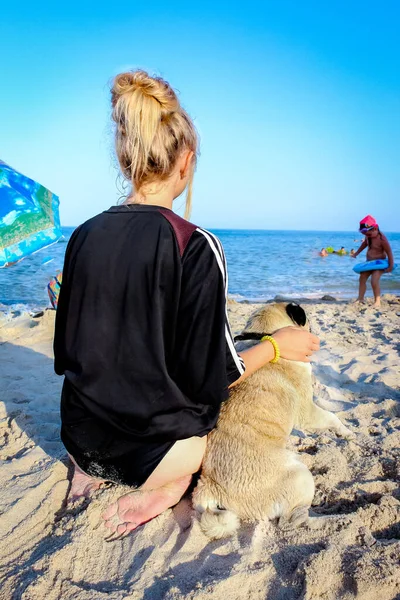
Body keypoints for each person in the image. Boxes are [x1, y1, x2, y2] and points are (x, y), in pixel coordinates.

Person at [54, 70, 320, 540]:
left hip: (78, 437)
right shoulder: (194, 245)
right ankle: (163, 490)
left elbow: (67, 355)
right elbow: (213, 377)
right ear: (187, 161)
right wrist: (278, 345)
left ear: (124, 160)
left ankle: (87, 470)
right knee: (205, 441)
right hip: (150, 457)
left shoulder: (82, 235)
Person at [352, 215, 394, 308]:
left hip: (379, 263)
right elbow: (364, 244)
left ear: (375, 229)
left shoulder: (382, 240)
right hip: (369, 263)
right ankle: (360, 298)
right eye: (365, 235)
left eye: (368, 234)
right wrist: (356, 253)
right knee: (362, 278)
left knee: (374, 281)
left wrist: (390, 266)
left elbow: (389, 252)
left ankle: (377, 301)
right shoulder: (369, 236)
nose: (367, 236)